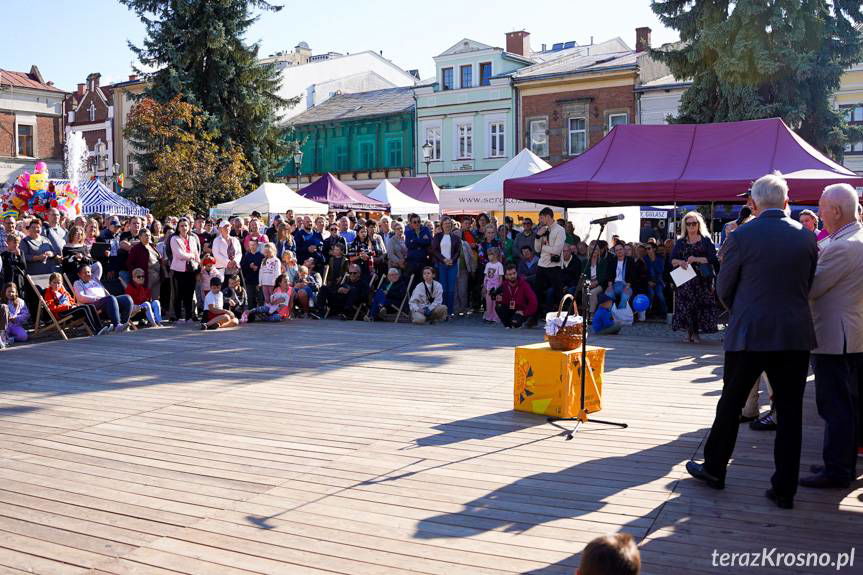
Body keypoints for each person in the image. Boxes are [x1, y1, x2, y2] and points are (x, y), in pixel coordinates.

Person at [687, 173, 817, 510]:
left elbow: (723, 288)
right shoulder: (806, 237)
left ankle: (715, 469)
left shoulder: (742, 235)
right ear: (787, 202)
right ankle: (785, 488)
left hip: (749, 333)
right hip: (793, 334)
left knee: (730, 403)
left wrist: (741, 311)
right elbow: (808, 283)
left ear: (753, 203)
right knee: (789, 414)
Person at [798, 184, 863, 489]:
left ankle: (837, 469)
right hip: (849, 336)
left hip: (836, 340)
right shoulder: (851, 239)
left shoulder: (842, 246)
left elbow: (811, 288)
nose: (818, 212)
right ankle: (840, 463)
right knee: (846, 407)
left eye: (822, 207)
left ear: (835, 211)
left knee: (835, 407)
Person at [670, 211, 719, 343]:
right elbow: (672, 260)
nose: (691, 226)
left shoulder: (705, 240)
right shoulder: (680, 242)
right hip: (685, 279)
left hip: (702, 279)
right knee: (686, 306)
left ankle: (695, 333)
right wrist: (681, 262)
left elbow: (712, 259)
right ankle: (689, 332)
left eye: (694, 223)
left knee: (698, 306)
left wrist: (695, 259)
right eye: (688, 224)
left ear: (699, 224)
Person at [43, 272, 110, 336]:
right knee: (84, 308)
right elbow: (52, 308)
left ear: (61, 283)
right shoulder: (49, 293)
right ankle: (97, 330)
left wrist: (74, 305)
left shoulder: (62, 291)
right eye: (54, 282)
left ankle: (100, 327)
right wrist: (68, 307)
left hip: (70, 309)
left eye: (58, 283)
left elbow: (71, 300)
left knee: (91, 306)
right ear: (50, 283)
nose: (57, 285)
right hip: (61, 313)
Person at [73, 264, 134, 332]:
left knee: (127, 298)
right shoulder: (78, 283)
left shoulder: (94, 279)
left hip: (107, 302)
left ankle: (123, 325)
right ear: (79, 274)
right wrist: (97, 298)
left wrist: (88, 267)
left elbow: (98, 265)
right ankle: (117, 325)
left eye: (88, 272)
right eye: (84, 273)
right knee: (110, 298)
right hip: (93, 305)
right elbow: (81, 297)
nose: (87, 274)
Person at [533, 207, 565, 315]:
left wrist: (544, 248)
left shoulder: (559, 230)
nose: (540, 220)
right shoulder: (543, 229)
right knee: (537, 291)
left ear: (548, 216)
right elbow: (537, 249)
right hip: (542, 264)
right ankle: (534, 317)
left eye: (541, 218)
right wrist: (538, 236)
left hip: (554, 266)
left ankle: (562, 317)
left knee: (558, 293)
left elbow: (556, 250)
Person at [169, 217, 201, 323]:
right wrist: (191, 255)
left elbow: (196, 254)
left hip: (191, 270)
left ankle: (188, 317)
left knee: (189, 294)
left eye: (186, 225)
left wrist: (200, 265)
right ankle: (177, 317)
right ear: (178, 227)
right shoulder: (174, 239)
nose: (184, 227)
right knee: (178, 295)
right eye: (181, 226)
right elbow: (179, 255)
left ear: (189, 227)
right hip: (178, 271)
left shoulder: (192, 238)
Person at [493, 264, 537, 329]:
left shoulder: (524, 284)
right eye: (510, 274)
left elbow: (534, 301)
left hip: (520, 310)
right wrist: (498, 299)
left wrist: (525, 312)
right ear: (506, 276)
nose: (513, 276)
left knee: (516, 323)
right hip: (510, 309)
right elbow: (500, 300)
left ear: (516, 273)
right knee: (498, 307)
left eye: (514, 273)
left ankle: (515, 322)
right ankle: (507, 325)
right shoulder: (504, 285)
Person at [432, 216, 459, 319]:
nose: (447, 225)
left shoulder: (455, 237)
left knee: (451, 289)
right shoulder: (437, 236)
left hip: (452, 265)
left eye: (449, 223)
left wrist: (452, 260)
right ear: (442, 225)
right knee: (443, 288)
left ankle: (450, 312)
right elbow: (434, 250)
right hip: (441, 265)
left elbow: (457, 251)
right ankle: (443, 311)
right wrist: (443, 259)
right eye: (445, 223)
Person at [405, 213, 432, 286]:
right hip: (412, 263)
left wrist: (415, 241)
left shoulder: (425, 230)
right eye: (414, 222)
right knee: (412, 285)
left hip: (423, 261)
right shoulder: (408, 232)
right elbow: (408, 245)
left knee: (423, 284)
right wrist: (422, 241)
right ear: (410, 223)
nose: (417, 223)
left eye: (418, 221)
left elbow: (429, 241)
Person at [643, 242, 667, 318]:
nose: (647, 250)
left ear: (654, 249)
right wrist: (648, 281)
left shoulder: (660, 258)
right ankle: (647, 313)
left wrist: (653, 261)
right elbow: (644, 273)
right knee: (651, 294)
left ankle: (664, 313)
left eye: (649, 248)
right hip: (648, 282)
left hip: (658, 281)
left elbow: (660, 270)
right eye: (646, 249)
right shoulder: (645, 259)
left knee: (660, 294)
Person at [482, 247, 503, 324]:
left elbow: (500, 277)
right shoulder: (487, 264)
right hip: (488, 287)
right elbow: (486, 276)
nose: (489, 257)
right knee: (488, 302)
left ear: (495, 255)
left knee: (495, 303)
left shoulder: (499, 265)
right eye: (488, 255)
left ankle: (495, 317)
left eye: (490, 255)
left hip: (495, 287)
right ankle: (489, 317)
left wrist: (499, 289)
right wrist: (484, 286)